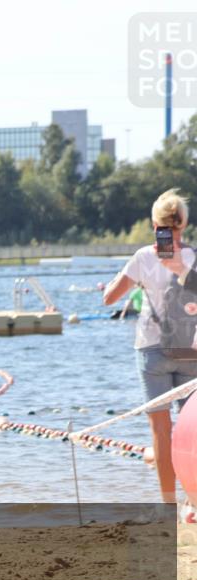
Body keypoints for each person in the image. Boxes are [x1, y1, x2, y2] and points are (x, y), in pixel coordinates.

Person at [103, 188, 196, 510]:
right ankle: (192, 500)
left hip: (152, 350)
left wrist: (137, 278)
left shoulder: (143, 257)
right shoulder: (193, 257)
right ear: (183, 224)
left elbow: (109, 298)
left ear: (154, 224)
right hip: (188, 351)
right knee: (192, 430)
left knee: (161, 430)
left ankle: (168, 503)